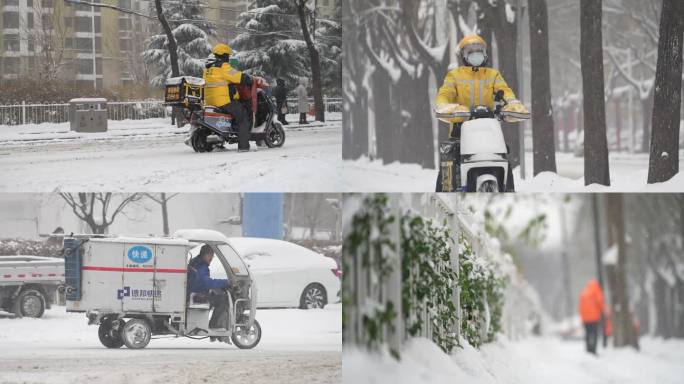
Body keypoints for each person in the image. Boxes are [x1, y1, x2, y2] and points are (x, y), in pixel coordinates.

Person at [434, 35, 529, 192]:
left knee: (503, 156)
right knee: (449, 162)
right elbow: (444, 94)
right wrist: (444, 105)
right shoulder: (454, 75)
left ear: (485, 54)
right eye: (471, 51)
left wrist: (512, 103)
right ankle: (445, 196)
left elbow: (505, 91)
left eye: (479, 51)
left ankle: (508, 191)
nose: (475, 54)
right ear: (464, 55)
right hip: (460, 128)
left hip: (488, 130)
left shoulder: (493, 75)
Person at [203, 43, 254, 152]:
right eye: (228, 56)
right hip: (223, 101)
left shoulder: (208, 68)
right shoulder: (224, 67)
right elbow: (237, 76)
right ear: (224, 55)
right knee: (243, 116)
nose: (228, 58)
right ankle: (244, 146)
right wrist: (249, 78)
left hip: (210, 100)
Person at [187, 244, 231, 341]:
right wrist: (225, 282)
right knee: (223, 299)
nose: (211, 258)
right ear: (204, 255)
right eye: (210, 255)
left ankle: (214, 326)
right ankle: (215, 327)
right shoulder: (201, 266)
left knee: (217, 295)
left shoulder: (196, 262)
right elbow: (207, 283)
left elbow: (203, 282)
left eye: (212, 256)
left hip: (194, 292)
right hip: (196, 296)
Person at [578, 279, 605, 355]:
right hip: (594, 318)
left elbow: (580, 308)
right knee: (594, 334)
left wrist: (583, 317)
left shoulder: (584, 293)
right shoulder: (596, 291)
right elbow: (600, 302)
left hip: (585, 319)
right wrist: (602, 311)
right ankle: (593, 350)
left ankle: (588, 349)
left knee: (587, 334)